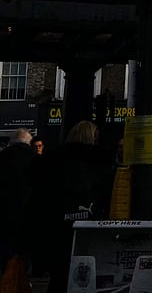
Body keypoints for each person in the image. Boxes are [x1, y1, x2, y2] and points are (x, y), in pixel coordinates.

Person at [28, 120, 116, 293]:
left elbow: (39, 199)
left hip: (56, 229)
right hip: (90, 229)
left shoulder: (51, 162)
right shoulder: (99, 163)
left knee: (59, 276)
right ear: (93, 138)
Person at [0, 128, 38, 292]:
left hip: (3, 218)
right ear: (29, 143)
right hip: (27, 218)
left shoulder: (2, 158)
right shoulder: (34, 160)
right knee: (22, 261)